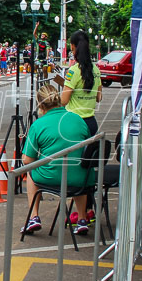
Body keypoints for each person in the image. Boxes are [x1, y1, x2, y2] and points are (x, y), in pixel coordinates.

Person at [20, 83, 94, 236]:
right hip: (82, 177)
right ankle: (81, 219)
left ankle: (34, 217)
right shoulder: (79, 119)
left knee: (30, 171)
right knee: (79, 166)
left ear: (40, 106)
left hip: (51, 177)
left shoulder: (38, 125)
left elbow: (27, 160)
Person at [61, 30, 103, 138]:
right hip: (91, 122)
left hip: (74, 123)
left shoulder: (73, 71)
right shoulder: (96, 70)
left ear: (72, 46)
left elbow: (64, 101)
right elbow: (99, 97)